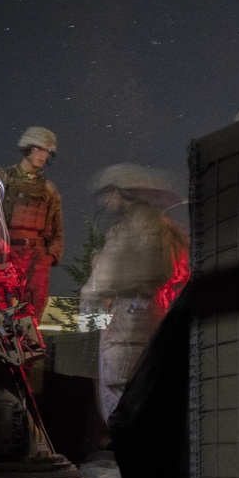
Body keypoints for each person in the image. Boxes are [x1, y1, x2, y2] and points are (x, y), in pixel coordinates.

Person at [80, 163, 190, 424]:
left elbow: (102, 282)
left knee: (120, 392)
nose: (106, 202)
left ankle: (129, 459)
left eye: (109, 195)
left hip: (126, 324)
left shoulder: (136, 226)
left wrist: (89, 319)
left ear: (122, 193)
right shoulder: (160, 224)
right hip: (146, 316)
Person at [0, 126, 64, 318]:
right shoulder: (0, 178)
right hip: (5, 253)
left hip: (36, 257)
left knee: (32, 314)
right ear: (27, 148)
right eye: (38, 149)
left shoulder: (49, 190)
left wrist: (48, 257)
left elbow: (57, 231)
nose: (43, 155)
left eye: (47, 152)